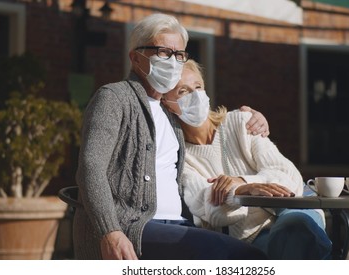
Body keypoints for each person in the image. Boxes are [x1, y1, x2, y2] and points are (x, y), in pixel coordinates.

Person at [73, 13, 270, 260]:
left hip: (178, 225)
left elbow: (209, 122)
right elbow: (90, 168)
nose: (173, 61)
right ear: (136, 57)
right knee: (245, 259)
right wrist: (110, 231)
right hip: (133, 227)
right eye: (163, 52)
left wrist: (251, 115)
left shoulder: (171, 111)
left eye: (179, 55)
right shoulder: (114, 98)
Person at [161, 59, 332, 259]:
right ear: (167, 104)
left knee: (294, 228)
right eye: (183, 91)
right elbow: (209, 207)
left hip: (294, 208)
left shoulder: (241, 122)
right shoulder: (178, 156)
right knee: (288, 242)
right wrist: (241, 191)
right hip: (251, 235)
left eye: (198, 87)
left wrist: (243, 182)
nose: (195, 95)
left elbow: (288, 175)